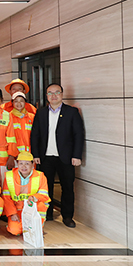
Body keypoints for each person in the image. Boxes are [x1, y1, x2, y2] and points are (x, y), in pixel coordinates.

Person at [30, 83, 84, 228]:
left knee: (67, 187)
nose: (53, 96)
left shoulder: (71, 112)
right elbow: (35, 135)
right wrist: (35, 154)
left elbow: (78, 135)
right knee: (45, 187)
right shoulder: (41, 113)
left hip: (66, 157)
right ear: (46, 96)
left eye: (57, 92)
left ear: (62, 94)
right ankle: (46, 213)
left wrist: (77, 155)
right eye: (50, 93)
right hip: (45, 157)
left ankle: (67, 216)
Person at [2, 151, 50, 236]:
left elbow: (44, 195)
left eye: (27, 164)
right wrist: (12, 213)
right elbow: (6, 198)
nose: (23, 167)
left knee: (41, 205)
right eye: (21, 163)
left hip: (33, 209)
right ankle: (28, 227)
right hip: (17, 210)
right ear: (17, 164)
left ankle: (38, 227)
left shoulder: (40, 176)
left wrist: (34, 198)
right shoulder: (9, 176)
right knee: (14, 230)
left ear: (32, 164)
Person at [10, 92, 35, 157]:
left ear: (25, 102)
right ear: (12, 103)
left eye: (21, 101)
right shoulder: (8, 117)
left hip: (30, 154)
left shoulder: (32, 117)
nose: (19, 103)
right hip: (15, 155)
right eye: (16, 101)